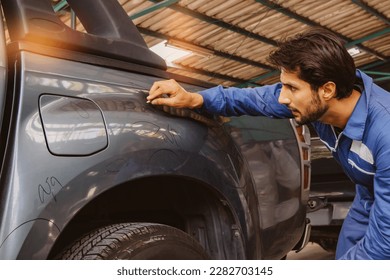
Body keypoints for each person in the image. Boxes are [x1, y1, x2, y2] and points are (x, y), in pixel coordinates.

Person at [147, 27, 390, 260]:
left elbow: (384, 240)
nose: (283, 97)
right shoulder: (321, 100)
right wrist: (196, 98)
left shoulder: (385, 132)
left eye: (292, 88)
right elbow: (255, 99)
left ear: (327, 89)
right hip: (367, 195)